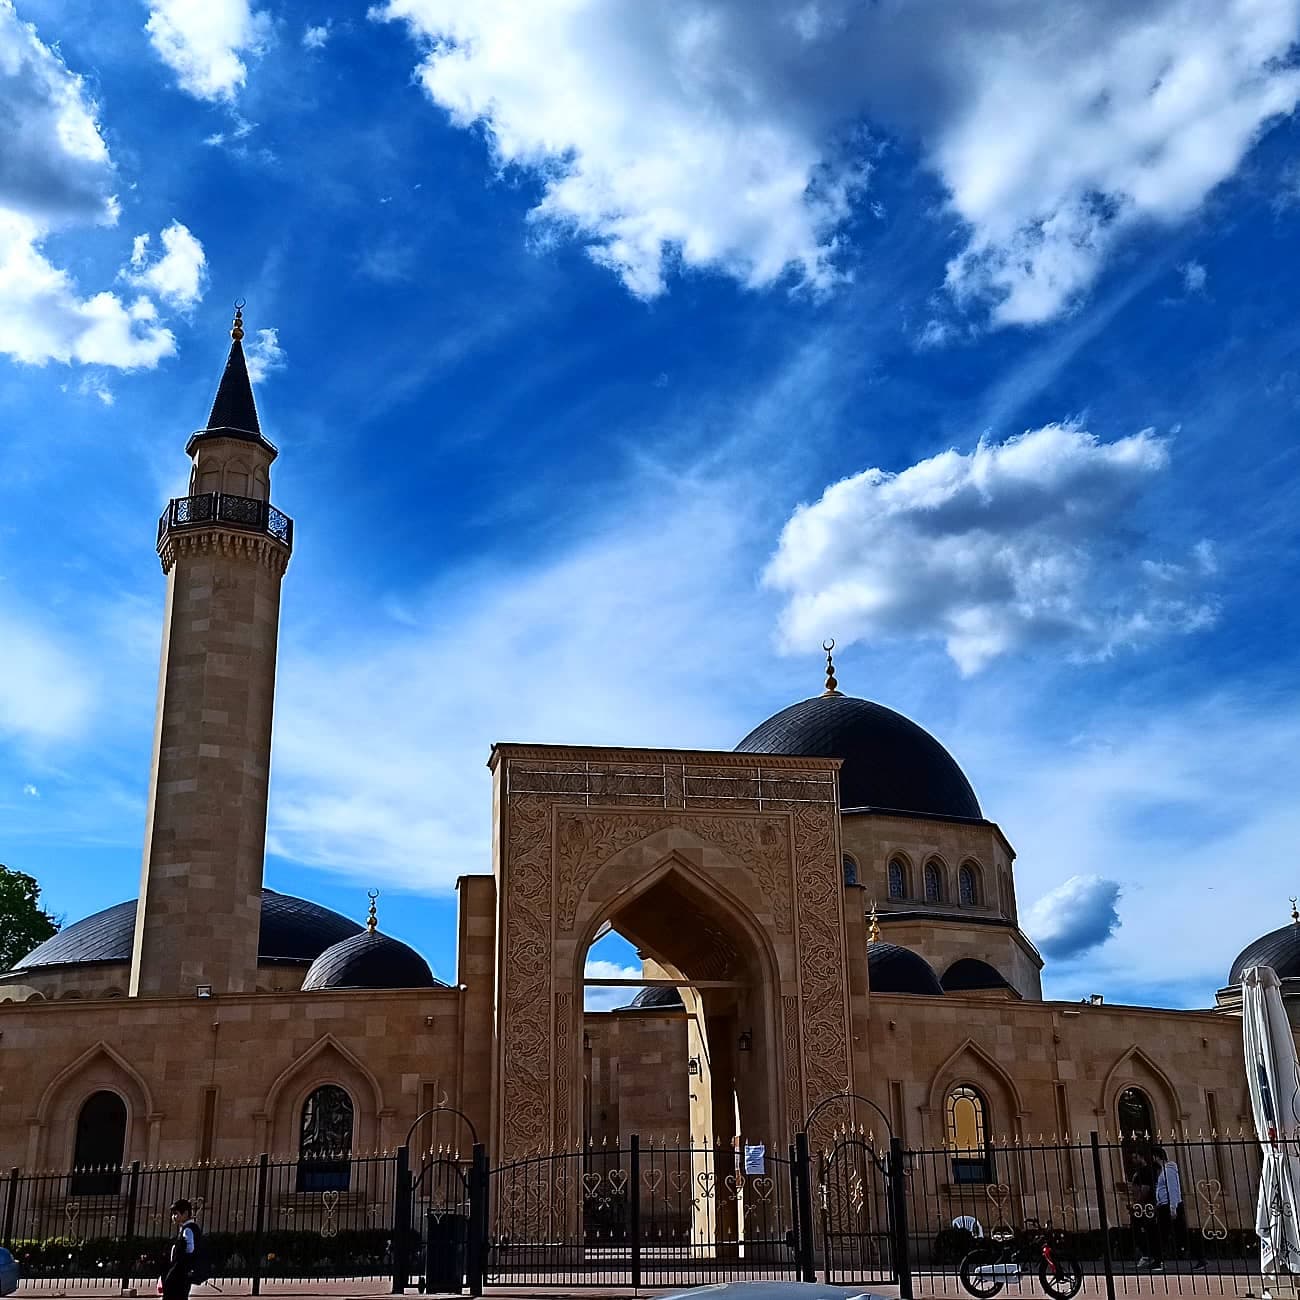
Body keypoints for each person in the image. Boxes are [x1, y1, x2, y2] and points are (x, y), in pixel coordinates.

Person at [1151, 1145, 1207, 1271]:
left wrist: (1173, 1208)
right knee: (1162, 1234)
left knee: (1180, 1234)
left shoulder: (1168, 1170)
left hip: (1170, 1207)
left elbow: (1173, 1189)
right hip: (1164, 1206)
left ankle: (1200, 1257)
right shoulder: (1164, 1170)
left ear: (1156, 1157)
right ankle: (1158, 1260)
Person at [160, 1199, 202, 1300]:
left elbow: (190, 1250)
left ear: (186, 1213)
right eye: (173, 1214)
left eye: (176, 1214)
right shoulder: (186, 1228)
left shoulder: (188, 1229)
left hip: (180, 1272)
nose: (173, 1217)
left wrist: (178, 1266)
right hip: (181, 1271)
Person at [1130, 1148, 1159, 1270]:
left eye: (1135, 1157)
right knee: (1141, 1230)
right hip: (1141, 1205)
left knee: (1143, 1230)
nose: (1133, 1160)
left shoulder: (1146, 1171)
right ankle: (1148, 1255)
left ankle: (1148, 1255)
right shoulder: (1139, 1171)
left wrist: (1137, 1203)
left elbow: (1145, 1188)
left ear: (1141, 1157)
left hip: (1144, 1206)